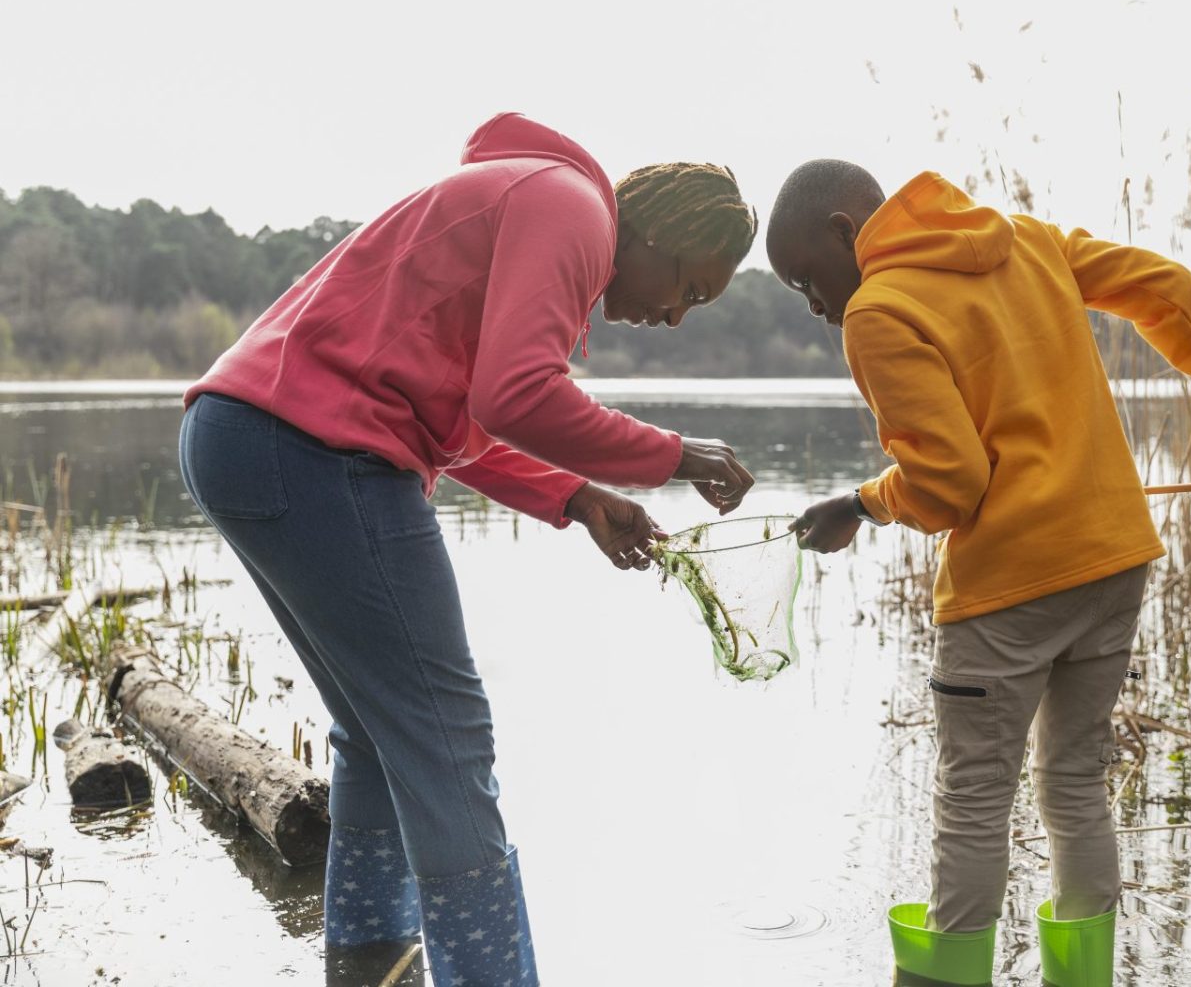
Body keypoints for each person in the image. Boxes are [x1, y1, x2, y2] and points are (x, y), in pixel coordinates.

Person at [178, 112, 758, 987]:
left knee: (379, 737)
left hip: (245, 438)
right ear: (661, 232)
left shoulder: (541, 202)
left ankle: (370, 959)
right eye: (691, 287)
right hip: (313, 450)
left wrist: (576, 495)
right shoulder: (571, 211)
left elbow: (478, 419)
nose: (677, 315)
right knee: (449, 743)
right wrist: (677, 455)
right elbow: (521, 393)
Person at [769, 161, 1191, 986]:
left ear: (844, 231)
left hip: (1008, 590)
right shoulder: (1025, 242)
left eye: (805, 280)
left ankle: (944, 980)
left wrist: (862, 505)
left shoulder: (879, 309)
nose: (815, 305)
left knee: (973, 799)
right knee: (1075, 782)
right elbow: (1170, 287)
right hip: (1113, 562)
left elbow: (948, 485)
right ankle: (1082, 978)